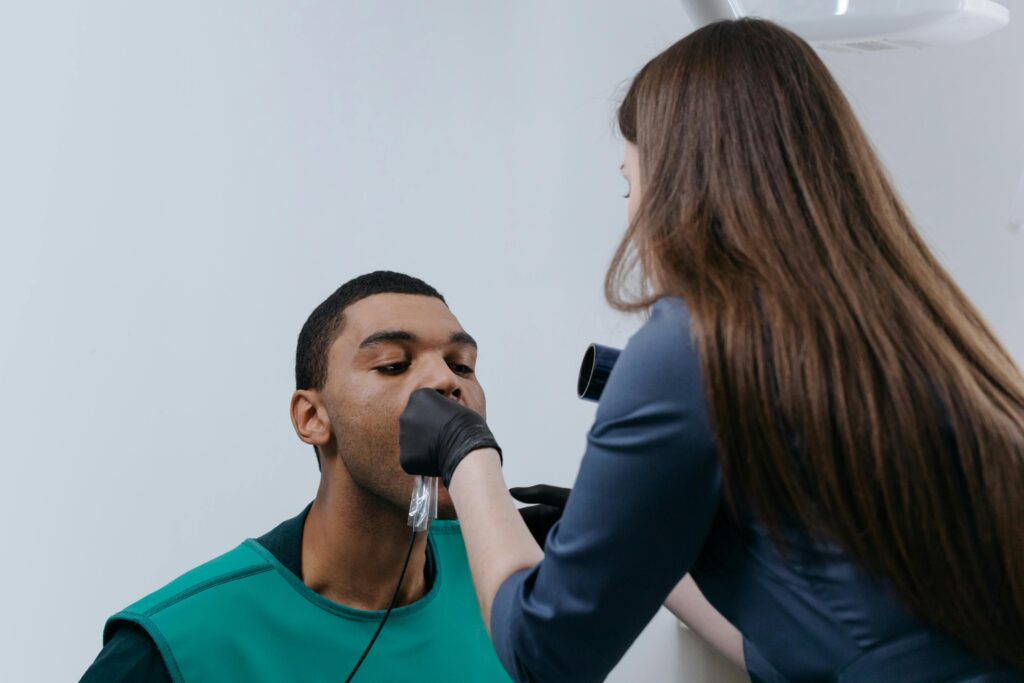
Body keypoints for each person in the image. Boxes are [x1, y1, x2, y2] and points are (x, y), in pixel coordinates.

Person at [398, 19, 1024, 683]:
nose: (632, 216)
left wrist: (466, 455)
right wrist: (651, 553)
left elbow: (544, 653)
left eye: (629, 184)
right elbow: (824, 638)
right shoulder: (918, 333)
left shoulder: (688, 346)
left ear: (680, 182)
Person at [82, 271, 548, 682]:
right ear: (311, 417)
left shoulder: (516, 591)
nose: (448, 382)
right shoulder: (176, 648)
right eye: (393, 364)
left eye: (462, 364)